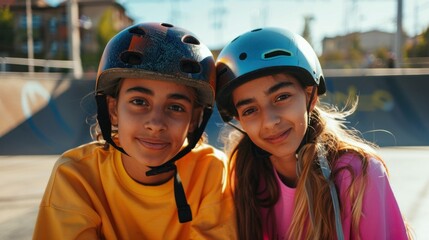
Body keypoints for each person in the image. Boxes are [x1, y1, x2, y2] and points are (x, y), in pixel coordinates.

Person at [33, 22, 236, 239]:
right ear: (113, 110)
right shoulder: (77, 175)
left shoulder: (211, 171)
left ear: (194, 119)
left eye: (176, 107)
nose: (156, 123)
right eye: (139, 101)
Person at [215, 27, 412, 240]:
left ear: (311, 96)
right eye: (250, 110)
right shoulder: (243, 177)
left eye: (281, 97)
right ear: (239, 120)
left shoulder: (359, 174)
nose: (270, 121)